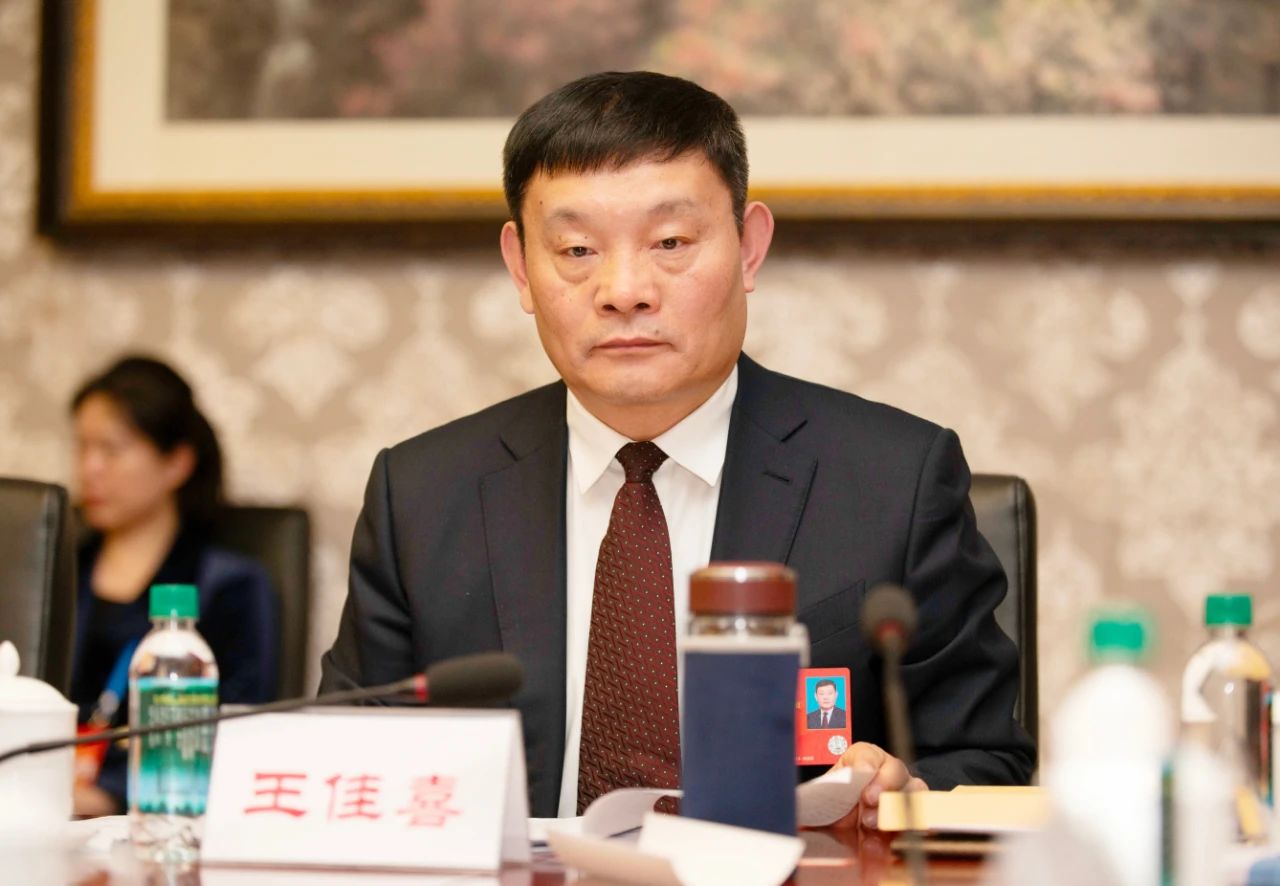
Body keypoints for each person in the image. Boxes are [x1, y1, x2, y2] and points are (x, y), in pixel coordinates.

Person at [320, 71, 1035, 827]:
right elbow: (343, 763)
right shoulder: (424, 494)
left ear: (750, 248)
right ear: (520, 267)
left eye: (670, 243)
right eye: (576, 249)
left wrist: (902, 794)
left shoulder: (894, 481)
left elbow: (983, 764)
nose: (624, 290)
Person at [69, 355, 279, 816]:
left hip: (163, 811)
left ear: (177, 463)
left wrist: (108, 796)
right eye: (82, 447)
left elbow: (235, 732)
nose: (90, 468)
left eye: (111, 449)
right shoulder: (60, 568)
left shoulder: (230, 586)